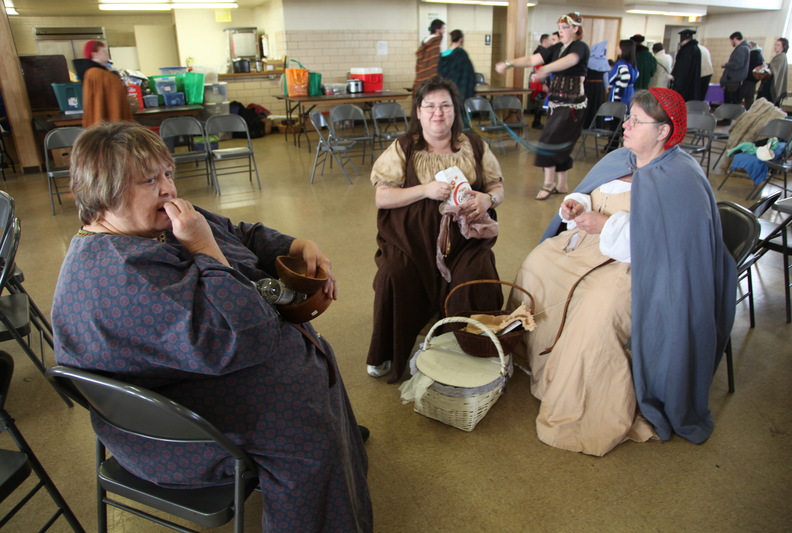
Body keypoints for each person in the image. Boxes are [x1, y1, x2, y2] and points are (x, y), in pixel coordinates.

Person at [52, 122, 373, 532]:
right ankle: (323, 469)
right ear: (104, 192)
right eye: (149, 180)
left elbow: (236, 233)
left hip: (196, 387)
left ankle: (338, 462)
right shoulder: (124, 278)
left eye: (168, 173)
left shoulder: (149, 225)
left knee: (313, 361)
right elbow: (252, 336)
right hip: (178, 436)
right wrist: (203, 248)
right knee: (308, 418)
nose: (168, 188)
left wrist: (295, 246)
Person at [507, 88, 737, 457]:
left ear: (663, 131)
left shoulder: (681, 177)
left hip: (642, 266)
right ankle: (539, 360)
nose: (625, 125)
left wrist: (606, 226)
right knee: (537, 265)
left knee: (598, 306)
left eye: (636, 121)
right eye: (628, 117)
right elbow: (591, 194)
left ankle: (580, 398)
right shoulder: (621, 157)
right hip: (591, 245)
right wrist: (576, 204)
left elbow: (670, 245)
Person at [366, 76, 505, 382]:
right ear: (418, 111)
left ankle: (471, 348)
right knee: (393, 275)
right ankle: (386, 350)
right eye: (430, 106)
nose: (437, 113)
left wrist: (489, 198)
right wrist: (425, 190)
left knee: (475, 277)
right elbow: (382, 197)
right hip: (409, 240)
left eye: (445, 105)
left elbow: (497, 187)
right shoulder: (403, 148)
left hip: (465, 241)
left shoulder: (475, 146)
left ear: (456, 110)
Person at [495, 12, 590, 200]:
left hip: (573, 106)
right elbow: (532, 59)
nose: (561, 31)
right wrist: (509, 63)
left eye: (565, 28)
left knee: (549, 141)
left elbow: (571, 60)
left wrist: (546, 68)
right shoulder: (556, 48)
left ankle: (549, 183)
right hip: (556, 104)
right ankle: (562, 184)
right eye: (560, 28)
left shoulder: (580, 47)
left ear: (575, 28)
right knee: (560, 142)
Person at [73, 40, 133, 128]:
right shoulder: (95, 74)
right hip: (108, 119)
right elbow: (100, 101)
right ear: (94, 54)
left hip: (111, 118)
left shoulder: (102, 71)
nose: (107, 53)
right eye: (103, 51)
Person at [438, 29, 476, 102]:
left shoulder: (442, 56)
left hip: (445, 92)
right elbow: (469, 74)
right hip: (459, 92)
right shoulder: (461, 54)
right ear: (461, 39)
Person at [413, 19, 446, 93]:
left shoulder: (425, 42)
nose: (444, 31)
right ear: (437, 29)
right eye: (442, 29)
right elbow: (435, 63)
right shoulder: (435, 43)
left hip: (421, 77)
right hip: (431, 79)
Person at [584, 40, 611, 128]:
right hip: (599, 86)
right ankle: (598, 125)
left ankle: (586, 124)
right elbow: (605, 76)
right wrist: (606, 87)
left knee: (588, 105)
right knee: (598, 105)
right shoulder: (604, 61)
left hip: (588, 85)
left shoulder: (588, 59)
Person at [671, 29, 702, 102]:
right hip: (692, 84)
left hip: (684, 86)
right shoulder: (696, 48)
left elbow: (682, 69)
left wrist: (677, 86)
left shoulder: (686, 50)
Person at [529, 34, 552, 128]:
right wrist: (543, 84)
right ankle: (536, 122)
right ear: (545, 41)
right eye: (550, 40)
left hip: (537, 81)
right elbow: (540, 70)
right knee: (540, 102)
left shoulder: (538, 52)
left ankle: (536, 122)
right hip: (539, 82)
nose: (551, 42)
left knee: (539, 102)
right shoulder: (541, 53)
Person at [721, 31, 750, 105]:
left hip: (733, 81)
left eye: (731, 41)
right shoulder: (743, 48)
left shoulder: (741, 49)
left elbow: (737, 64)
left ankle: (729, 113)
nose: (731, 43)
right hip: (735, 80)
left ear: (734, 39)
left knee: (730, 103)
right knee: (732, 102)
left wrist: (726, 64)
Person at [758, 38, 789, 104]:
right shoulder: (779, 56)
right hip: (769, 83)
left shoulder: (781, 56)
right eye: (775, 44)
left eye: (778, 45)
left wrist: (767, 66)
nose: (775, 46)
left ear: (784, 47)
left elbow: (773, 69)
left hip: (771, 85)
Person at [609, 40, 638, 107]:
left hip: (620, 94)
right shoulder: (632, 64)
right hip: (630, 92)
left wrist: (619, 95)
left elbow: (625, 76)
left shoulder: (621, 63)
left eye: (619, 46)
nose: (617, 47)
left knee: (617, 111)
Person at [741, 41, 765, 109]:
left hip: (748, 79)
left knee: (739, 96)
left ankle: (732, 112)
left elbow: (746, 66)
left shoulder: (751, 54)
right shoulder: (759, 55)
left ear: (752, 46)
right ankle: (749, 112)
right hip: (754, 80)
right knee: (749, 98)